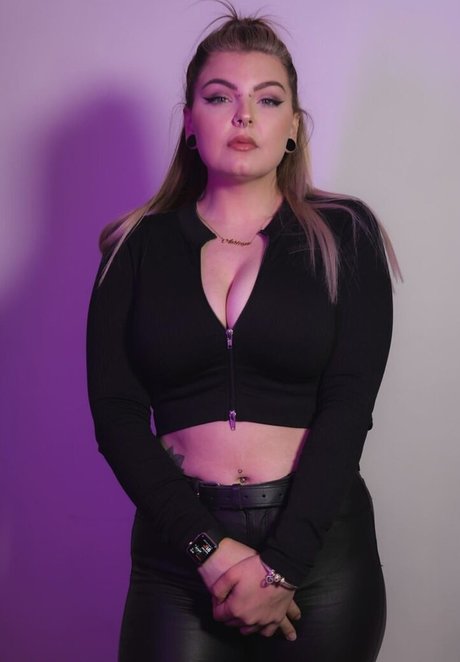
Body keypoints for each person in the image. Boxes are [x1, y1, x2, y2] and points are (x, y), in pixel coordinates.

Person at [86, 5, 400, 661]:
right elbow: (116, 416)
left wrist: (281, 566)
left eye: (268, 99)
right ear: (189, 120)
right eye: (219, 96)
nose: (244, 116)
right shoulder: (133, 248)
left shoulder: (346, 235)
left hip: (320, 554)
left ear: (293, 126)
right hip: (179, 556)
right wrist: (208, 550)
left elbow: (349, 406)